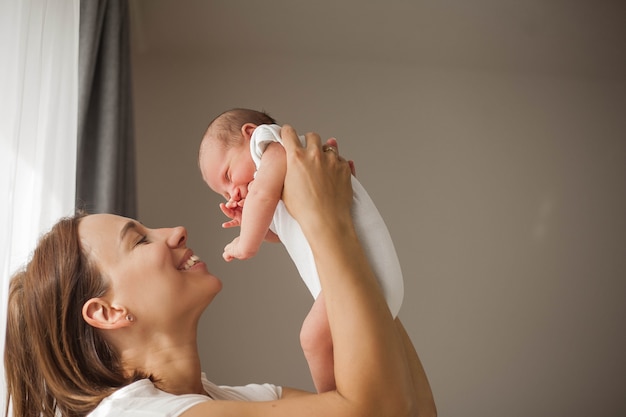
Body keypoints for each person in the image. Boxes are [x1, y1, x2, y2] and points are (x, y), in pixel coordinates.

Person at [4, 125, 436, 417]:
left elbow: (410, 407)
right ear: (107, 312)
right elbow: (381, 409)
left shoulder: (237, 401)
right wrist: (326, 218)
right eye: (139, 241)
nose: (175, 231)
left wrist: (317, 231)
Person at [198, 108, 404, 392]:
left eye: (229, 175)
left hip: (365, 273)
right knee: (337, 348)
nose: (233, 191)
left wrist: (246, 239)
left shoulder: (269, 143)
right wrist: (259, 224)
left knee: (312, 338)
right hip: (359, 282)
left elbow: (261, 194)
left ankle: (333, 401)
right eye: (223, 193)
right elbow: (284, 234)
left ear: (249, 133)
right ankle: (347, 396)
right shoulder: (286, 183)